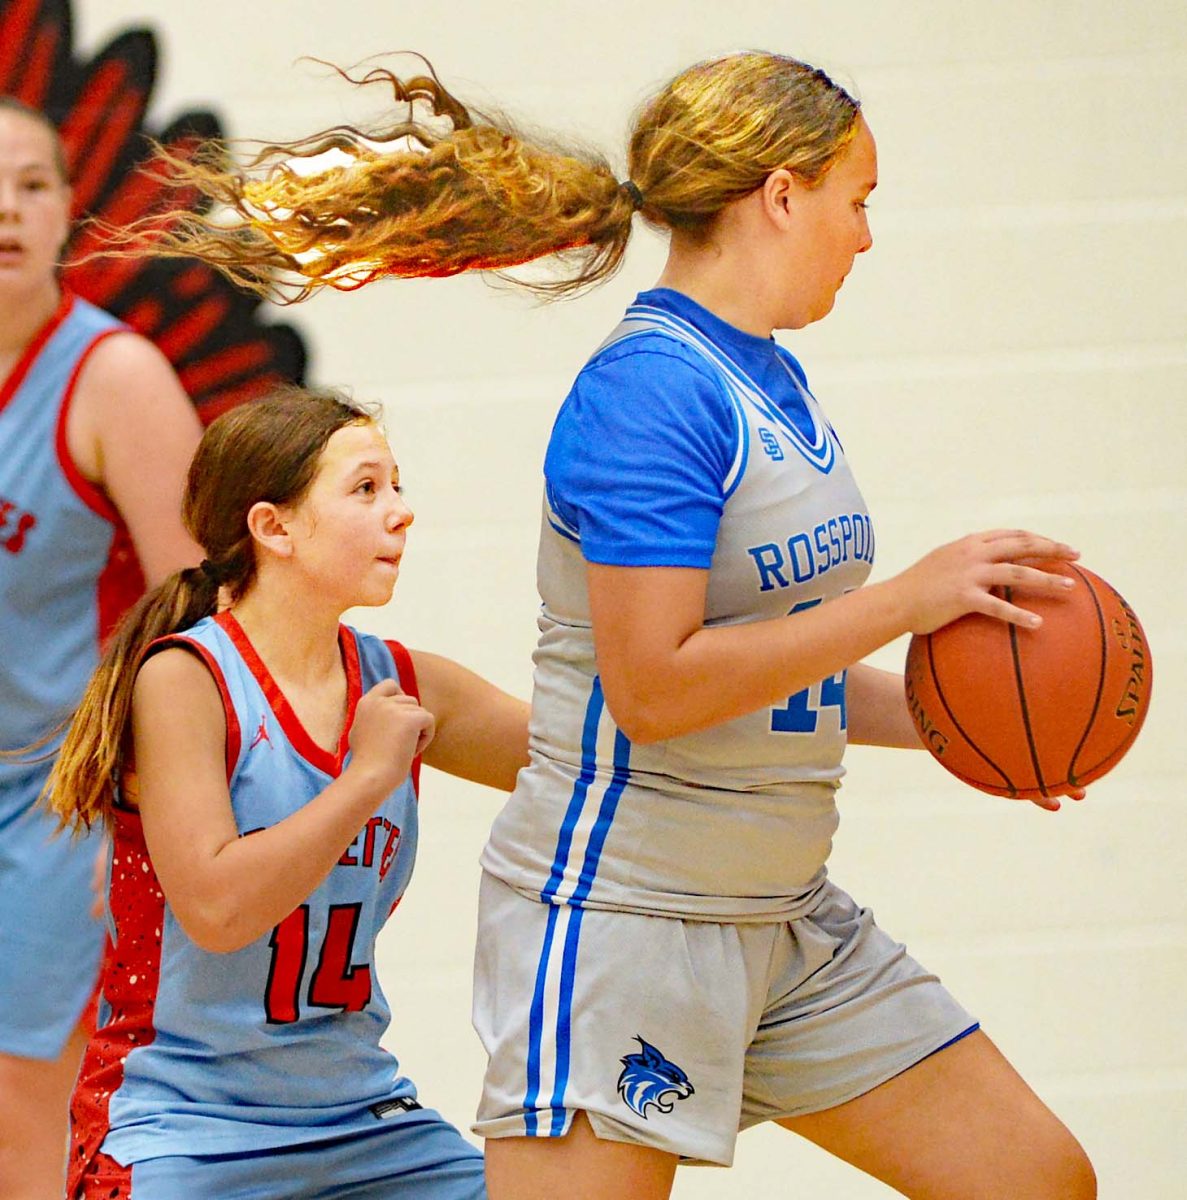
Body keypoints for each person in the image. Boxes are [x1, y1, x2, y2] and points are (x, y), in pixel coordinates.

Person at [128, 52, 1098, 1199]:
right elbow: (654, 686)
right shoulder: (648, 394)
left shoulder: (770, 382)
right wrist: (906, 600)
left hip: (780, 907)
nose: (866, 235)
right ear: (780, 197)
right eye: (858, 199)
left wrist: (955, 724)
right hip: (629, 923)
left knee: (1038, 1179)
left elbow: (779, 669)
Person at [45, 386, 527, 1199]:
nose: (401, 512)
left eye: (398, 485)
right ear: (274, 528)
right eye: (366, 489)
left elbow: (611, 753)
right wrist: (367, 776)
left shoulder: (404, 683)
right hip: (183, 1126)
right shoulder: (184, 678)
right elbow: (218, 909)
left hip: (361, 1119)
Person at [0, 96, 203, 1200]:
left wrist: (145, 803)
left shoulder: (114, 379)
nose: (6, 208)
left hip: (55, 796)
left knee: (26, 1106)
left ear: (71, 208)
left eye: (33, 183)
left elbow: (202, 614)